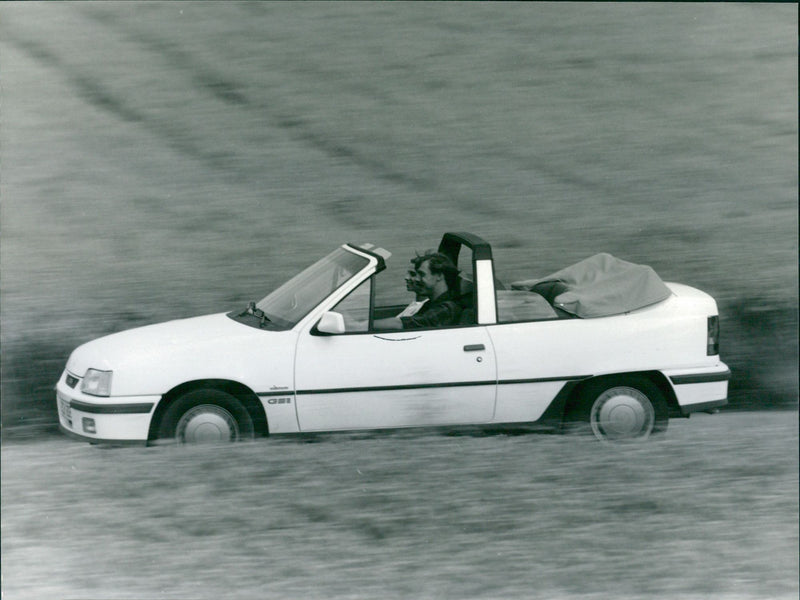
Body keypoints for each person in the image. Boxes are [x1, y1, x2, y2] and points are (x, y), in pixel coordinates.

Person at [375, 251, 462, 329]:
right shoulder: (431, 303)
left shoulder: (446, 309)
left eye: (421, 274)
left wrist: (363, 325)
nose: (416, 279)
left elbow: (403, 324)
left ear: (439, 276)